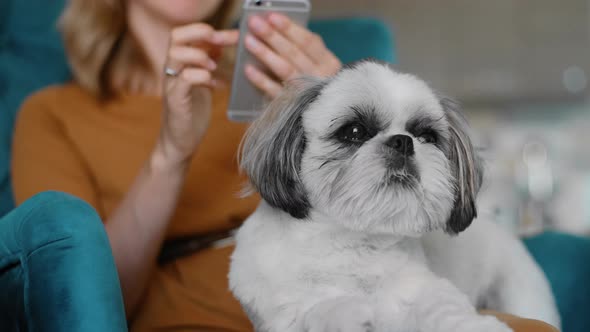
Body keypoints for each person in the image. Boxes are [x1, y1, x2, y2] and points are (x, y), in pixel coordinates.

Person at [10, 0, 557, 331]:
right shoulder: (55, 114)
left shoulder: (283, 91)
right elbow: (82, 291)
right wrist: (171, 152)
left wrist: (344, 91)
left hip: (371, 293)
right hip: (204, 316)